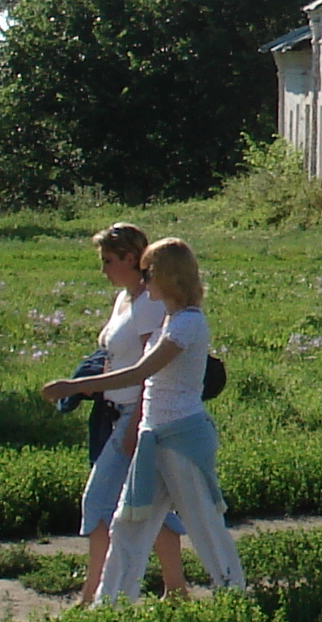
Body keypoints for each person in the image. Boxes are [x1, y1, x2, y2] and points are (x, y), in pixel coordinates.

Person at [40, 237, 246, 602]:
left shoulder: (187, 324)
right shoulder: (168, 319)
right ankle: (111, 606)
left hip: (182, 438)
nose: (143, 278)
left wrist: (74, 385)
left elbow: (139, 373)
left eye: (149, 273)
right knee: (129, 523)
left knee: (204, 524)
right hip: (154, 436)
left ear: (166, 276)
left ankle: (236, 599)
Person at [59, 223, 188, 608]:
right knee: (148, 502)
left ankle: (93, 596)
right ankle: (176, 589)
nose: (104, 269)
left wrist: (135, 427)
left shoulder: (149, 304)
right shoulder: (125, 299)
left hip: (134, 415)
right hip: (112, 411)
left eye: (109, 261)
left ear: (131, 259)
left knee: (98, 503)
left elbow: (151, 368)